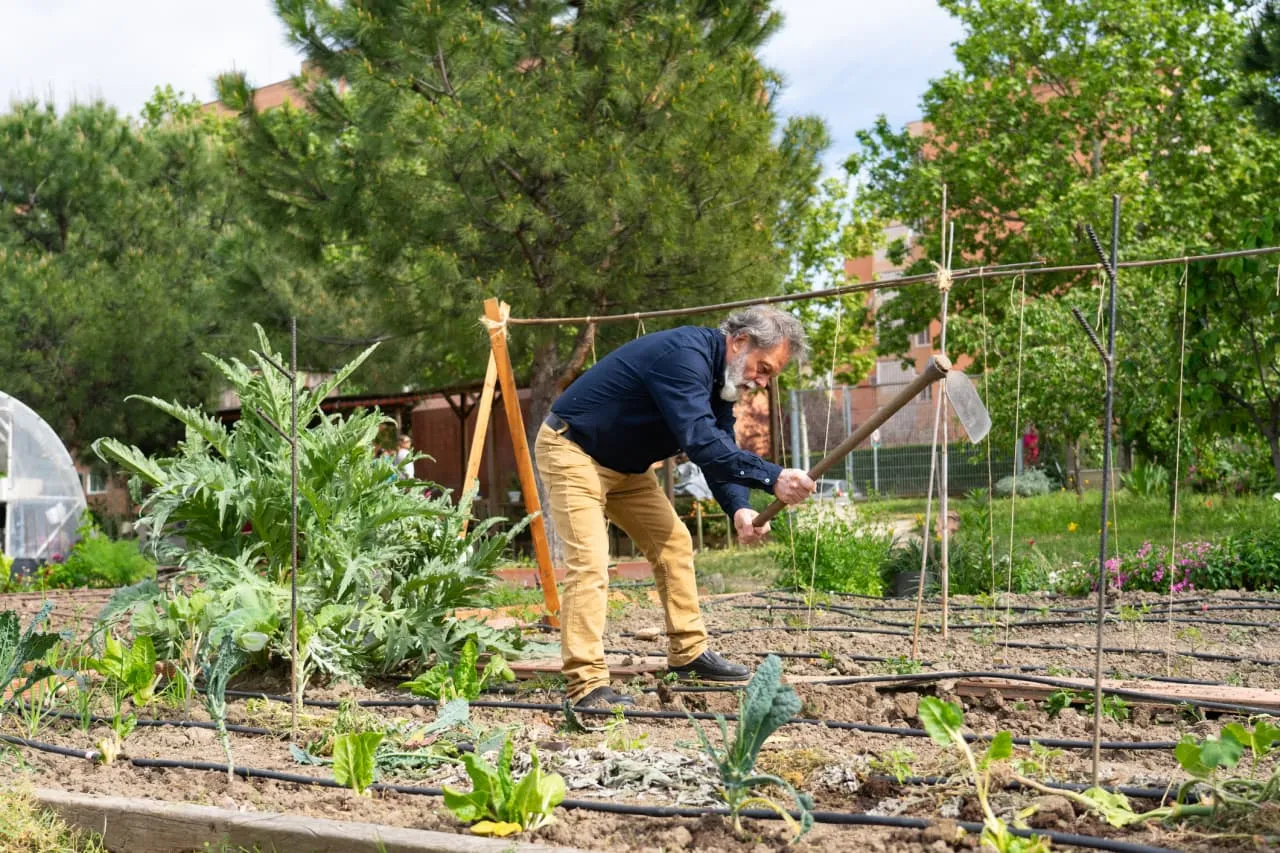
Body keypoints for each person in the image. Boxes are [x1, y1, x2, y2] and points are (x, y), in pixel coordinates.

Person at [535, 306, 816, 709]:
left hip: (625, 467)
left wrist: (738, 507)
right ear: (740, 342)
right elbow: (700, 441)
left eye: (769, 375)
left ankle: (687, 654)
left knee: (673, 544)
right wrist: (773, 477)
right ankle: (586, 685)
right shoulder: (684, 357)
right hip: (574, 450)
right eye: (764, 368)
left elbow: (719, 448)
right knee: (591, 562)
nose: (763, 381)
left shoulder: (722, 381)